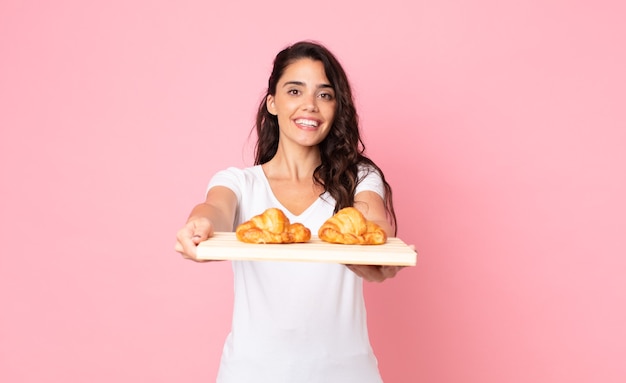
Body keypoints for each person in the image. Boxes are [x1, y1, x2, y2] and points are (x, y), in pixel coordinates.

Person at [175, 40, 404, 383]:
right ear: (272, 102)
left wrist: (376, 259)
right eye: (295, 91)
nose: (310, 105)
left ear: (336, 108)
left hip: (346, 375)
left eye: (325, 95)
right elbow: (215, 209)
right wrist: (201, 224)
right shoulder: (240, 182)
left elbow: (372, 223)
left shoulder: (359, 178)